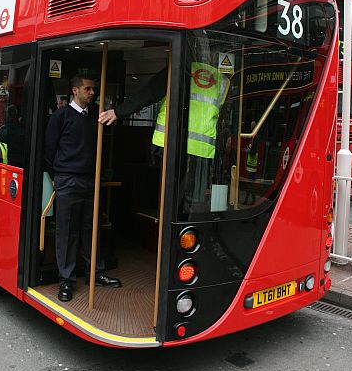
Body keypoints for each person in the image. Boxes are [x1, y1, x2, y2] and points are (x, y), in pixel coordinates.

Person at [99, 61, 230, 211]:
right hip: (202, 150)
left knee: (163, 196)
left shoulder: (180, 66)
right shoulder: (223, 81)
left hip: (167, 143)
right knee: (190, 201)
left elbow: (149, 93)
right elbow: (222, 117)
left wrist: (118, 112)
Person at [45, 73, 121, 303]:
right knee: (67, 231)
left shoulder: (95, 116)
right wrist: (59, 177)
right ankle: (66, 280)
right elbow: (49, 150)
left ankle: (94, 273)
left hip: (90, 179)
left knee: (91, 228)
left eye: (93, 89)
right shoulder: (60, 117)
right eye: (87, 89)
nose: (92, 92)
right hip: (68, 179)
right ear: (75, 90)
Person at [244, 121, 258, 205]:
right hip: (250, 165)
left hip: (252, 165)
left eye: (252, 126)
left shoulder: (255, 138)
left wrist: (248, 150)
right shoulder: (254, 137)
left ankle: (249, 200)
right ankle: (252, 200)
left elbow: (253, 151)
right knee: (250, 184)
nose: (250, 128)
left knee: (249, 184)